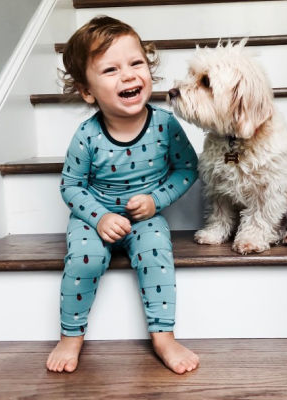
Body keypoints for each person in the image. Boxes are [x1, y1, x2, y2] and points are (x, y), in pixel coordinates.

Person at [46, 16, 200, 375]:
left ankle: (164, 335)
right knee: (84, 258)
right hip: (93, 217)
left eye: (136, 63)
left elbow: (187, 169)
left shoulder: (165, 125)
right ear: (88, 91)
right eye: (111, 70)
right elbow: (70, 186)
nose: (129, 75)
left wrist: (156, 201)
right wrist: (99, 217)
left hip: (144, 216)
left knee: (156, 254)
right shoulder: (87, 135)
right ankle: (71, 335)